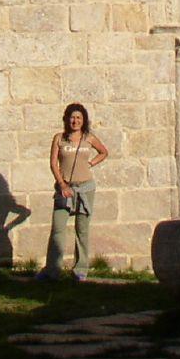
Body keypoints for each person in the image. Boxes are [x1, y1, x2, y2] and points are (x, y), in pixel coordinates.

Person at [39, 102, 108, 281]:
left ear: (83, 120)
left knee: (82, 229)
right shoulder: (59, 138)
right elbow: (54, 163)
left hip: (85, 188)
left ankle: (80, 268)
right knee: (58, 228)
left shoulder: (89, 138)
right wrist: (62, 184)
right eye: (72, 117)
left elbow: (103, 152)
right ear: (66, 119)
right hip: (65, 188)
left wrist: (91, 163)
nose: (75, 121)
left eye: (78, 117)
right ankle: (52, 269)